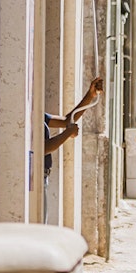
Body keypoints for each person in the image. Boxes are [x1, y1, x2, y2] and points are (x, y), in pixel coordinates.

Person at [43, 77, 104, 222]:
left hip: (43, 176)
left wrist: (90, 96)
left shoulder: (39, 115)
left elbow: (66, 120)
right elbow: (43, 148)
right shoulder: (28, 116)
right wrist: (67, 133)